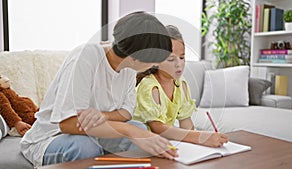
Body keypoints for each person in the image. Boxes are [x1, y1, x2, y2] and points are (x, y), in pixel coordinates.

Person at [20, 12, 178, 167]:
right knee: (86, 146)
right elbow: (67, 124)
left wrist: (102, 116)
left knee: (141, 131)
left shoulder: (129, 68)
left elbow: (126, 112)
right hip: (52, 137)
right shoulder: (87, 56)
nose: (155, 66)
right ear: (134, 56)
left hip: (95, 133)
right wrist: (130, 131)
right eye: (154, 61)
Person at [134, 25, 228, 147]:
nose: (179, 64)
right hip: (140, 145)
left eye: (182, 57)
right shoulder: (149, 86)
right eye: (171, 59)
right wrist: (199, 137)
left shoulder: (181, 85)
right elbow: (157, 128)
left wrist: (200, 144)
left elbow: (186, 123)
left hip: (162, 144)